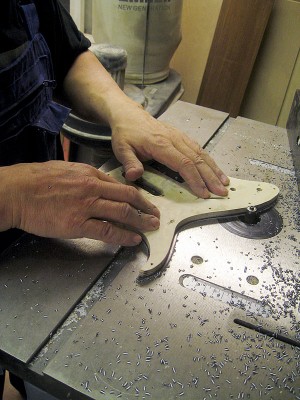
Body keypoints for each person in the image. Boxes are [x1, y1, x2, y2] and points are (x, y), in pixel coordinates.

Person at [0, 1, 229, 398]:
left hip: (40, 245)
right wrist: (12, 197)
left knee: (29, 362)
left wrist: (122, 110)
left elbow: (68, 54)